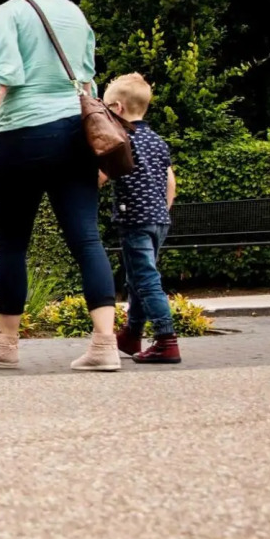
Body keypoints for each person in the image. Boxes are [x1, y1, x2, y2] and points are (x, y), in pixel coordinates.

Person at [0, 0, 118, 371]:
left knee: (12, 242)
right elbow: (88, 82)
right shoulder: (75, 14)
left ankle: (6, 341)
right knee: (87, 238)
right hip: (75, 133)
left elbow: (0, 78)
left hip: (25, 135)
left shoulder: (10, 12)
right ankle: (105, 343)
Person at [102, 73, 180, 364]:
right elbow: (170, 182)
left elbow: (101, 175)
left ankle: (165, 339)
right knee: (137, 278)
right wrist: (161, 211)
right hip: (159, 219)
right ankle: (132, 334)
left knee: (146, 280)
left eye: (107, 108)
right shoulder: (159, 141)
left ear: (118, 109)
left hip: (134, 220)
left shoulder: (120, 139)